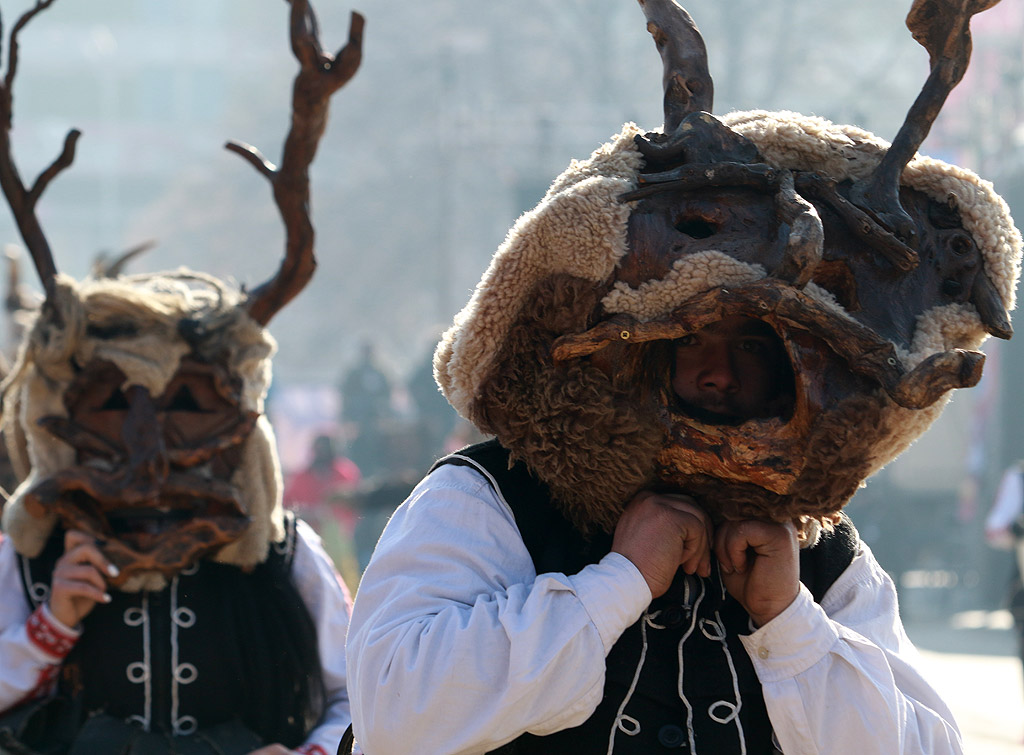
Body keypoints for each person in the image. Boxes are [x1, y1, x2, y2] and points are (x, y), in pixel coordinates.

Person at [347, 3, 1022, 752]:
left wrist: (791, 619)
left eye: (758, 345)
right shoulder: (491, 499)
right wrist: (618, 581)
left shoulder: (823, 554)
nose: (721, 373)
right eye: (695, 334)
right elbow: (393, 715)